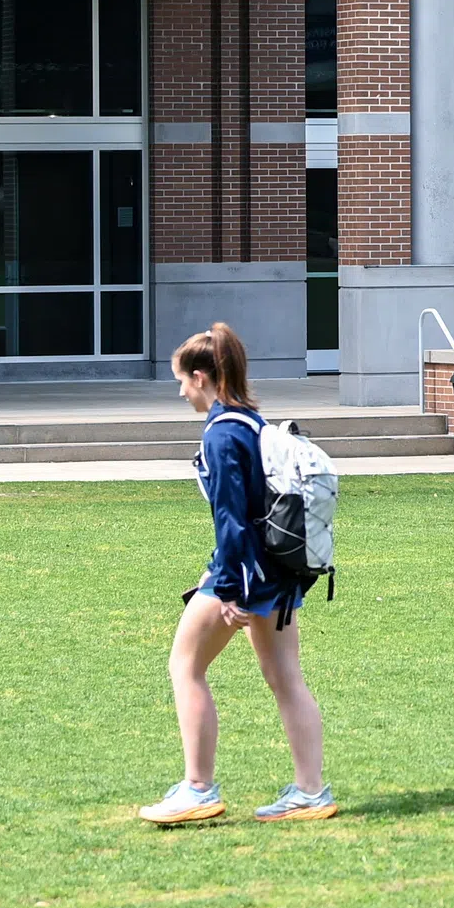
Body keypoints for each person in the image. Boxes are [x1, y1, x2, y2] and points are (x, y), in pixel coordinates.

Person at [139, 323, 335, 826]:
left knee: (185, 665)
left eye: (182, 380)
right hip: (281, 571)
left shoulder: (223, 433)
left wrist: (229, 588)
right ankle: (311, 791)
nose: (180, 391)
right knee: (286, 678)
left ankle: (198, 788)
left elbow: (230, 518)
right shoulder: (250, 420)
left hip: (246, 574)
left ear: (201, 377)